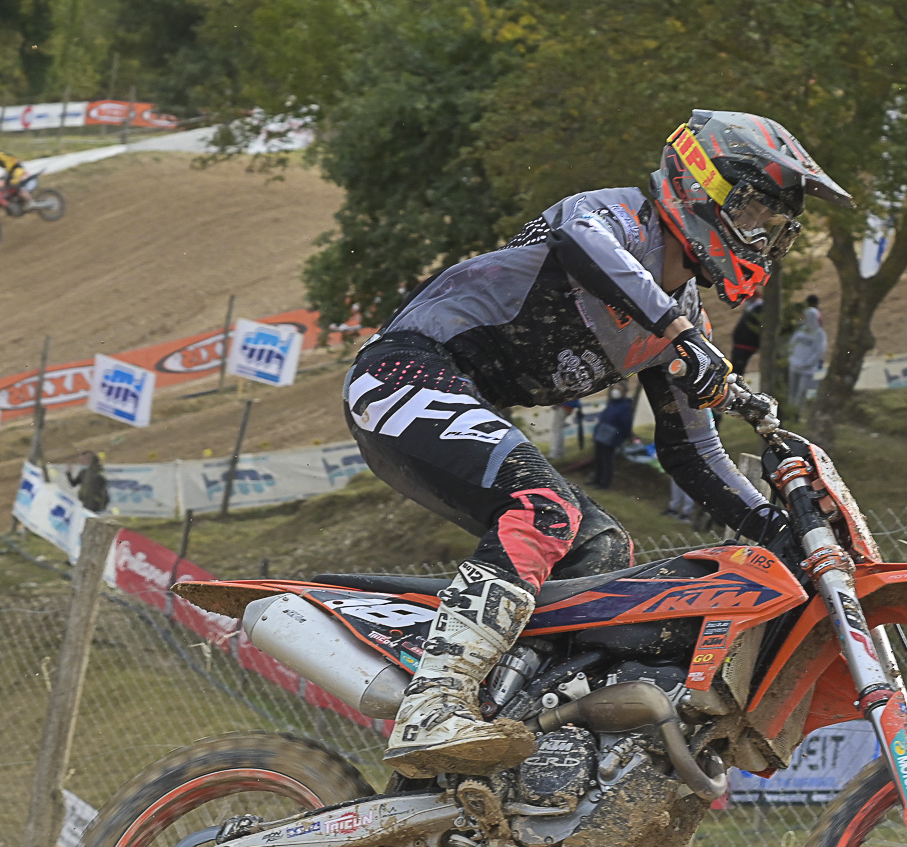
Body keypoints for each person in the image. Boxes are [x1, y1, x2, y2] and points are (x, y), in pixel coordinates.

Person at [343, 108, 851, 777]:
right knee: (544, 508)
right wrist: (679, 335)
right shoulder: (611, 218)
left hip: (454, 399)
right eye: (754, 213)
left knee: (603, 549)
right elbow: (583, 243)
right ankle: (433, 703)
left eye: (775, 226)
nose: (762, 237)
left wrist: (776, 527)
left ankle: (514, 725)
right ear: (702, 186)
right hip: (401, 375)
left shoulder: (679, 321)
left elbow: (694, 454)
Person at [591, 381, 637, 488]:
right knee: (599, 458)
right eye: (614, 388)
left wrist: (620, 437)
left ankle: (604, 483)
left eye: (619, 389)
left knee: (607, 460)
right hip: (602, 434)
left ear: (624, 391)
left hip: (612, 436)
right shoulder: (612, 403)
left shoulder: (625, 406)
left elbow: (626, 424)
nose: (615, 391)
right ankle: (597, 480)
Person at [787, 294, 827, 408]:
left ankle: (798, 413)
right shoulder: (800, 330)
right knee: (791, 392)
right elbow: (791, 345)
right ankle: (789, 412)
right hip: (794, 365)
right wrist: (792, 359)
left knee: (802, 392)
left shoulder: (819, 334)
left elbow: (819, 351)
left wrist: (807, 363)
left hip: (807, 369)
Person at [0, 140, 33, 209]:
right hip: (12, 170)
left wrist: (7, 173)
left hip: (16, 170)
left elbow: (8, 161)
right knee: (6, 185)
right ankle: (18, 201)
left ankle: (30, 202)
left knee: (15, 185)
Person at [730, 295, 765, 374]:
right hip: (742, 344)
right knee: (736, 366)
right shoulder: (752, 309)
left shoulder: (759, 309)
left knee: (738, 367)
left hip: (746, 345)